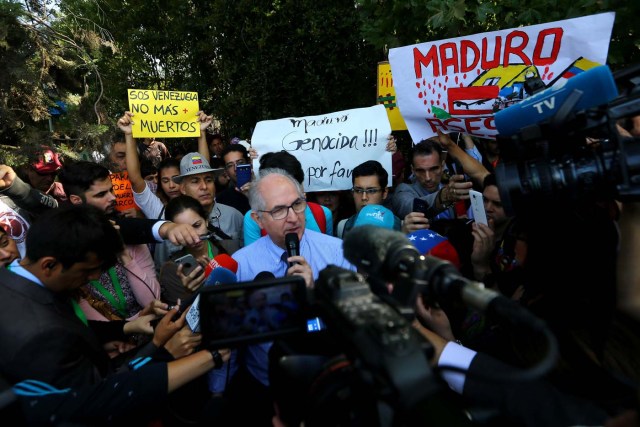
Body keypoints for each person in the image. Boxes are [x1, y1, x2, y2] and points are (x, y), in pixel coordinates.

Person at [0, 204, 231, 425]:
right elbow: (98, 401)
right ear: (49, 265)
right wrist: (188, 354)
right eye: (89, 270)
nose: (93, 277)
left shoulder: (14, 283)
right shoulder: (41, 335)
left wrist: (119, 331)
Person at [227, 168, 356, 426]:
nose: (293, 218)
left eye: (297, 204)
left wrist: (314, 296)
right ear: (258, 219)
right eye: (278, 210)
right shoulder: (240, 265)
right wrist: (219, 393)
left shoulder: (338, 252)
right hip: (263, 385)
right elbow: (232, 338)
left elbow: (355, 323)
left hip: (328, 383)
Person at [243, 151, 333, 246]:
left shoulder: (322, 213)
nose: (293, 219)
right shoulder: (253, 219)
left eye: (295, 184)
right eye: (278, 210)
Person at [390, 138, 473, 220]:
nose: (428, 178)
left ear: (442, 166)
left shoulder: (453, 189)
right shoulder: (403, 190)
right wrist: (444, 196)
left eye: (433, 169)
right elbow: (409, 208)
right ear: (412, 170)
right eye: (420, 170)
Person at [336, 160, 401, 238]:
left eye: (371, 191)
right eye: (358, 190)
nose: (364, 197)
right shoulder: (343, 226)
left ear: (384, 193)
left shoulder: (400, 226)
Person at [216, 142, 252, 214]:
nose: (236, 168)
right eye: (230, 165)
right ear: (226, 171)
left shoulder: (265, 189)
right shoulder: (222, 200)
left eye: (240, 163)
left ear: (249, 163)